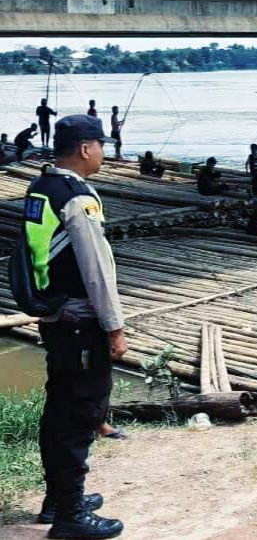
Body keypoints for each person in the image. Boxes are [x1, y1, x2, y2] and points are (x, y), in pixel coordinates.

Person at [22, 114, 125, 537]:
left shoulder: (40, 187)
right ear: (85, 148)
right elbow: (96, 268)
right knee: (79, 413)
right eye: (100, 145)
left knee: (59, 408)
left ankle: (59, 499)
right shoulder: (76, 197)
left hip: (56, 315)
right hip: (82, 320)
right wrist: (114, 325)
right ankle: (70, 518)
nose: (103, 152)